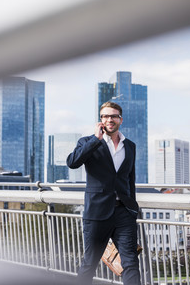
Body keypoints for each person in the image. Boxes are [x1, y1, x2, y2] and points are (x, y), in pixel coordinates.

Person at [67, 101, 141, 285]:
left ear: (120, 119)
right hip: (97, 213)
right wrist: (95, 139)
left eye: (113, 116)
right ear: (100, 120)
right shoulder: (88, 142)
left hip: (123, 212)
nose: (109, 119)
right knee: (90, 263)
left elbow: (130, 179)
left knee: (131, 262)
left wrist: (133, 209)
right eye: (105, 116)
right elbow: (72, 162)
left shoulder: (129, 146)